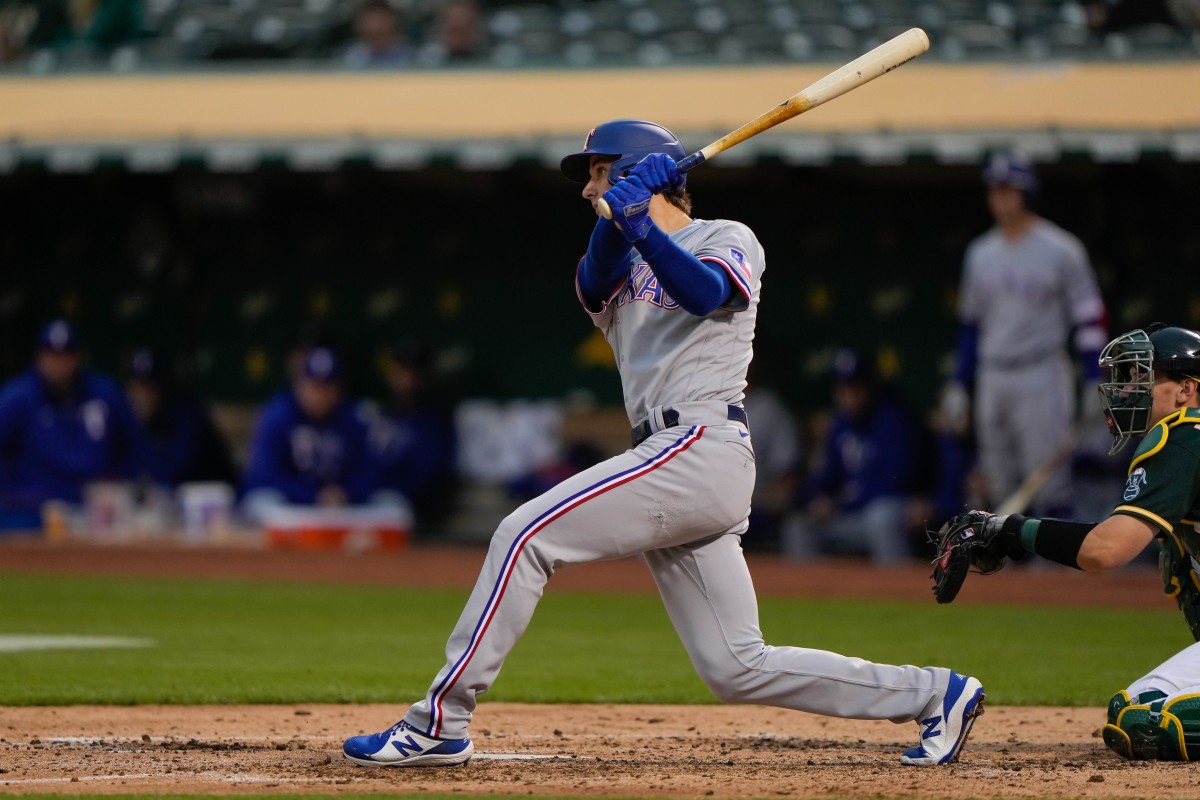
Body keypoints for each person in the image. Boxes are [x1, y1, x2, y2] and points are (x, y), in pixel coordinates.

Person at [342, 118, 985, 769]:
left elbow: (706, 294)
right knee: (736, 666)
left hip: (702, 443)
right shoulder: (614, 258)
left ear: (636, 171)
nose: (587, 186)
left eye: (599, 171)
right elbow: (595, 276)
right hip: (668, 457)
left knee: (524, 535)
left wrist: (645, 223)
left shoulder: (728, 236)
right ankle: (937, 693)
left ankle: (440, 722)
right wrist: (626, 215)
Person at [932, 323, 1200, 761]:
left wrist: (1010, 529)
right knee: (1134, 709)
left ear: (1186, 389)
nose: (1128, 390)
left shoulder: (1185, 435)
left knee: (1144, 718)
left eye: (1144, 379)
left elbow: (1105, 549)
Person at [942, 151, 1107, 520]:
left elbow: (1089, 317)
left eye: (1009, 189)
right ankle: (1008, 556)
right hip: (993, 373)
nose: (1001, 198)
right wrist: (958, 383)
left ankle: (1052, 554)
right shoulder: (980, 253)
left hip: (1040, 370)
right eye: (995, 190)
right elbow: (971, 325)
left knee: (1048, 479)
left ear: (1026, 192)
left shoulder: (1061, 249)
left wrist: (1093, 377)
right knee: (997, 481)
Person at [781, 350, 933, 564]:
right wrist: (810, 496)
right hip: (849, 513)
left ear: (871, 385)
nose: (849, 393)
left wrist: (840, 502)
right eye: (843, 387)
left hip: (888, 508)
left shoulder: (895, 420)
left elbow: (896, 482)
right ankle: (812, 586)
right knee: (799, 526)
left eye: (856, 386)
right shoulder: (840, 425)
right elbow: (827, 477)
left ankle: (897, 584)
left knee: (881, 518)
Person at [0, 319, 141, 529]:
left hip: (95, 510)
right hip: (32, 512)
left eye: (66, 355)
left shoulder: (105, 394)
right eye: (52, 355)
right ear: (39, 358)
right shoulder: (18, 397)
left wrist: (121, 489)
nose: (59, 364)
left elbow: (134, 448)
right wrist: (13, 495)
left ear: (79, 357)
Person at [241, 346, 401, 523]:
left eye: (327, 387)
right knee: (262, 503)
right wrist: (314, 496)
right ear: (299, 385)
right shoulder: (278, 415)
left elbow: (371, 473)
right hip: (292, 507)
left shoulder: (355, 418)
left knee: (394, 506)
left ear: (339, 389)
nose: (320, 395)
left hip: (344, 508)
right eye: (314, 386)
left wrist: (346, 493)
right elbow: (264, 475)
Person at [365, 341, 459, 534]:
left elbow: (429, 474)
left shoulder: (435, 416)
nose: (405, 378)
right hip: (379, 498)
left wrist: (385, 485)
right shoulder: (387, 410)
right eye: (400, 371)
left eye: (411, 372)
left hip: (417, 505)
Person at [124, 347, 239, 491]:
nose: (143, 396)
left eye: (150, 388)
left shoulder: (188, 418)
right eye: (137, 388)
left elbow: (174, 475)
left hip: (215, 497)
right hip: (176, 499)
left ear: (164, 387)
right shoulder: (132, 417)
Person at [342, 0, 412, 69]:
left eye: (382, 15)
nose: (376, 23)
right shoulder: (349, 57)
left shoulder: (411, 57)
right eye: (370, 15)